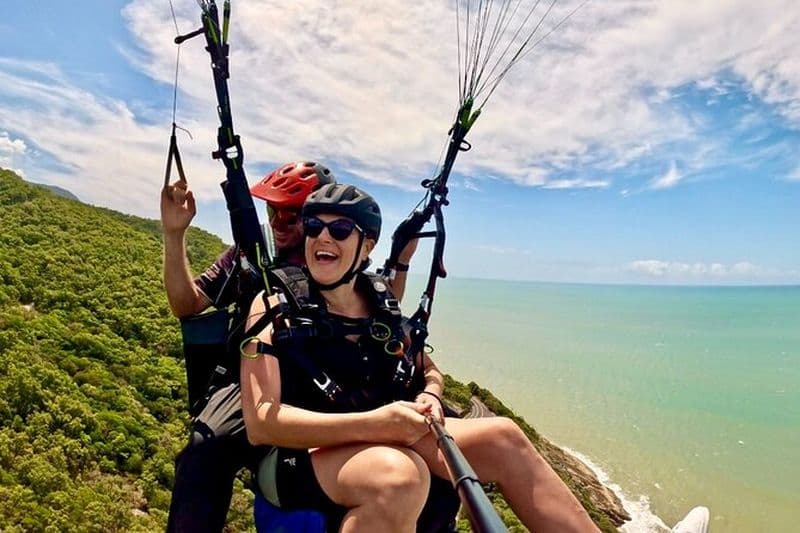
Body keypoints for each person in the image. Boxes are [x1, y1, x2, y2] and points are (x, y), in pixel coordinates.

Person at [240, 183, 601, 533]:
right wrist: (376, 423)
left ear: (366, 245)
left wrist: (430, 393)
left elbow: (427, 369)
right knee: (399, 476)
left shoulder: (380, 304)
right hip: (298, 453)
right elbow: (262, 423)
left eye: (340, 229)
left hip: (382, 431)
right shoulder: (275, 303)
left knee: (505, 438)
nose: (323, 237)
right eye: (315, 227)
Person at [161, 162, 422, 531]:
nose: (279, 223)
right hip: (254, 378)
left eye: (291, 215)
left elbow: (380, 308)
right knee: (204, 448)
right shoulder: (251, 255)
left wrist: (402, 263)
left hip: (322, 373)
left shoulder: (335, 259)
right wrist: (174, 235)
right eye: (273, 212)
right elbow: (187, 303)